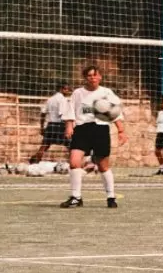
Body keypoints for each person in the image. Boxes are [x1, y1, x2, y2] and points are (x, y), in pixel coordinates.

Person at [60, 65, 128, 208]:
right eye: (89, 75)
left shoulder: (107, 92)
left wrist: (121, 130)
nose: (92, 78)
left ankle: (111, 197)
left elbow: (115, 113)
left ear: (100, 77)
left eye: (95, 75)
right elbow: (70, 111)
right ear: (85, 78)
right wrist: (69, 126)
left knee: (103, 166)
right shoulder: (78, 93)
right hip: (82, 130)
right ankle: (76, 197)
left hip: (100, 129)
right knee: (74, 162)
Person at [29, 82, 72, 164]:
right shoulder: (62, 100)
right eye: (66, 89)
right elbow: (62, 115)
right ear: (61, 89)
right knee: (71, 145)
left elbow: (43, 113)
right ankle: (74, 164)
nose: (68, 91)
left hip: (50, 125)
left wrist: (42, 127)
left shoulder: (50, 99)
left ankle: (34, 163)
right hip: (60, 125)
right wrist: (68, 127)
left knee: (44, 146)